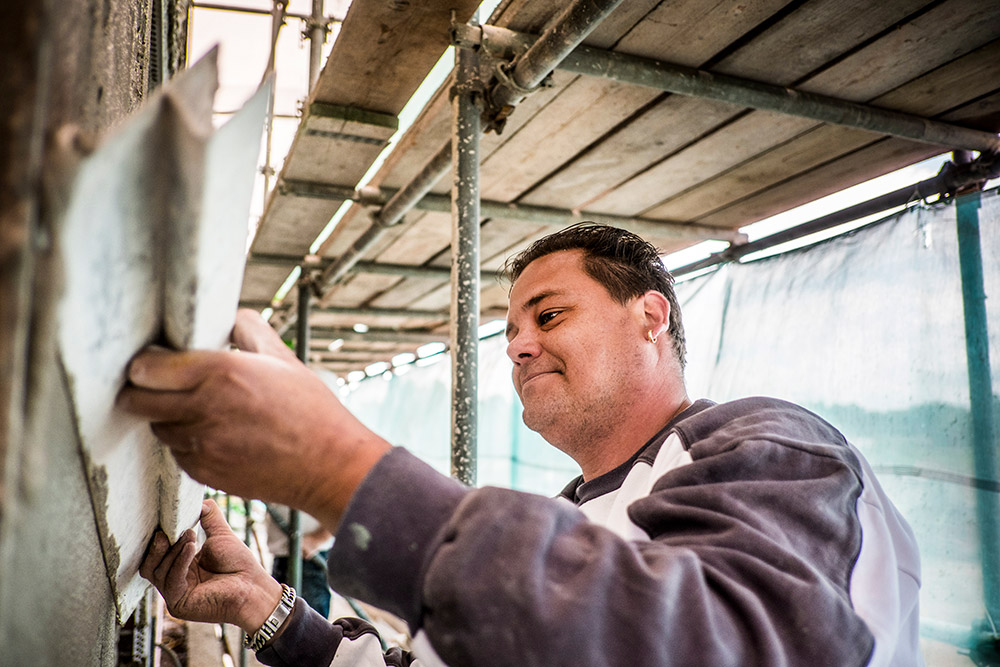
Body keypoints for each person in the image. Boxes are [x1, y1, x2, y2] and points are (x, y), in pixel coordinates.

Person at [122, 223, 922, 666]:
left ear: (651, 316)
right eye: (509, 330)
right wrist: (269, 610)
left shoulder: (773, 448)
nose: (517, 345)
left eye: (549, 315)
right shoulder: (568, 521)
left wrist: (337, 464)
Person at [265, 505, 334, 618]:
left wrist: (317, 540)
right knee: (280, 619)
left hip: (308, 557)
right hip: (283, 554)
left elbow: (347, 505)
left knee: (309, 622)